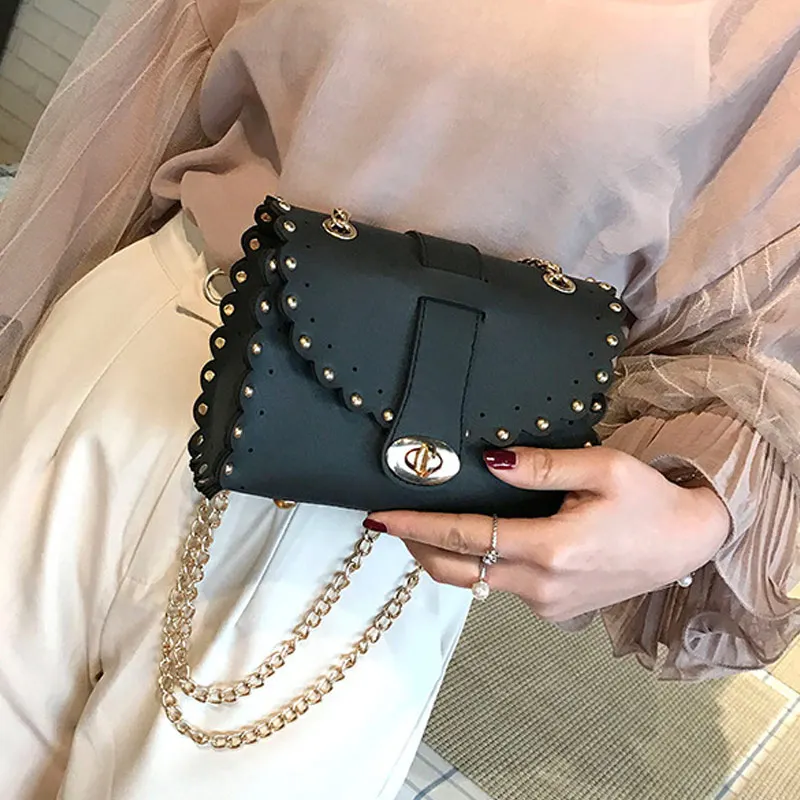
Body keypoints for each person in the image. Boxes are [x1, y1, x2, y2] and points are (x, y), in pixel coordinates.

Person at [0, 0, 798, 797]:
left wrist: (708, 511)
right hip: (129, 362)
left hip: (398, 503)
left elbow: (765, 332)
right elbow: (152, 94)